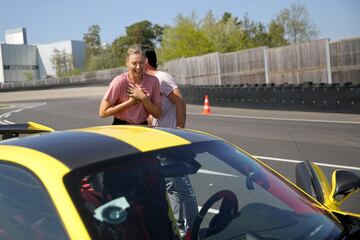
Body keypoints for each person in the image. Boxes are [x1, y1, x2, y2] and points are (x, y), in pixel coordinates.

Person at [143, 46, 198, 237]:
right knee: (172, 187)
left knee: (182, 188)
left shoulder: (162, 78)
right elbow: (157, 113)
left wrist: (181, 132)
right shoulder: (150, 82)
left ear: (146, 61)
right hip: (159, 143)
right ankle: (183, 230)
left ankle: (194, 229)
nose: (133, 67)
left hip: (171, 142)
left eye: (136, 62)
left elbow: (180, 101)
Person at [99, 44, 162, 125]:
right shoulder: (119, 82)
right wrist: (130, 103)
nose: (138, 67)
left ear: (146, 61)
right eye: (134, 63)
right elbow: (103, 113)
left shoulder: (154, 81)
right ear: (127, 63)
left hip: (142, 126)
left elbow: (158, 114)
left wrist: (143, 97)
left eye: (141, 62)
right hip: (121, 126)